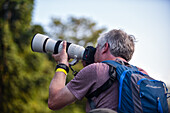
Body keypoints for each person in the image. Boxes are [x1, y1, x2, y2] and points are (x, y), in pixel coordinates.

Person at [48, 29, 148, 113]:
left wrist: (62, 64)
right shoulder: (142, 74)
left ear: (105, 47)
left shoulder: (96, 70)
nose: (95, 52)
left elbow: (54, 101)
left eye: (97, 47)